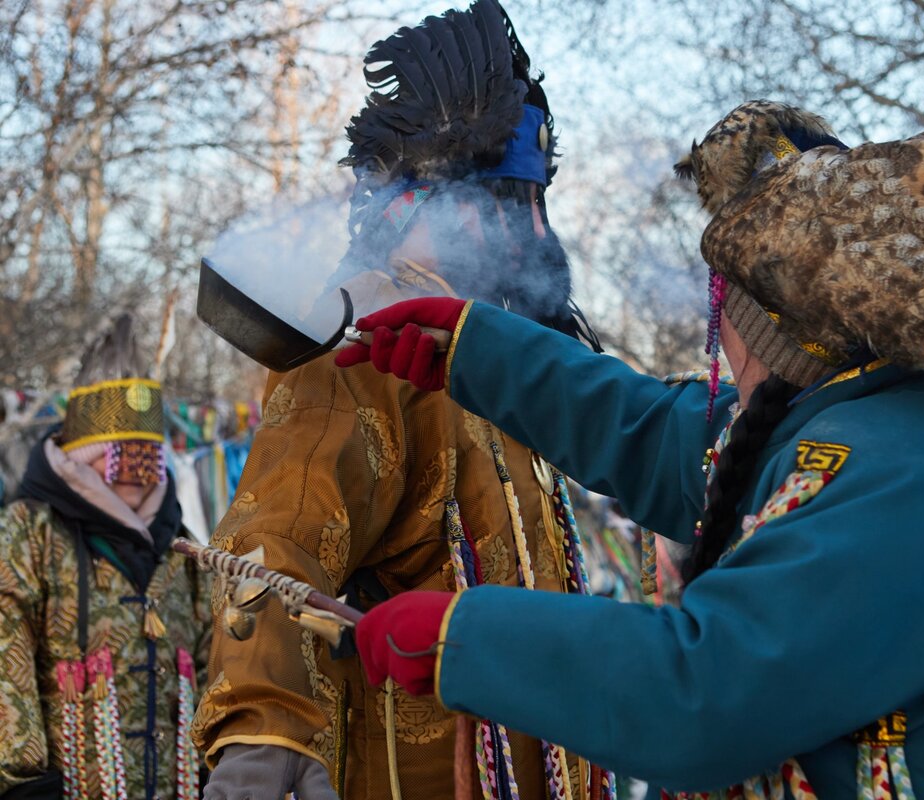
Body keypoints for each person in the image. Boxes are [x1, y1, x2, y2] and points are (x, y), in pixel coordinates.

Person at [336, 102, 924, 798]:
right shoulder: (865, 406)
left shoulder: (897, 473)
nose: (715, 335)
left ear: (770, 323)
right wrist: (477, 349)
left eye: (719, 305)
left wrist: (464, 636)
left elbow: (702, 696)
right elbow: (671, 437)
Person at [192, 2, 603, 799]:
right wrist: (264, 727)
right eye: (507, 202)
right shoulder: (369, 332)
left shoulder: (495, 339)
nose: (531, 230)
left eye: (533, 203)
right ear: (435, 202)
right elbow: (279, 537)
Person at [0, 313, 211, 800]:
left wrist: (208, 769)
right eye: (119, 457)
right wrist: (23, 784)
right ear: (80, 457)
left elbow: (207, 667)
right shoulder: (29, 534)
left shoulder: (182, 548)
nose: (135, 474)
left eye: (149, 458)